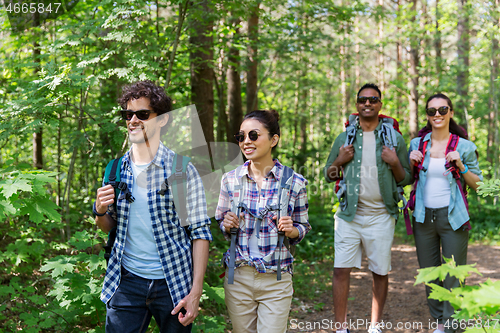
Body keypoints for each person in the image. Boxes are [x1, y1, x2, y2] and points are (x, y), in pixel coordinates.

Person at [93, 80, 212, 333]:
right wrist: (100, 210)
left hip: (173, 282)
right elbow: (107, 227)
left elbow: (200, 233)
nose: (133, 120)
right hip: (125, 281)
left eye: (142, 114)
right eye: (128, 114)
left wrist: (195, 293)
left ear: (162, 120)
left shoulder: (182, 170)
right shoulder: (115, 170)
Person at [324, 83, 411, 333]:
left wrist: (395, 163)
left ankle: (375, 327)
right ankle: (341, 328)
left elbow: (406, 178)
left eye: (373, 99)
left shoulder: (394, 139)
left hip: (382, 215)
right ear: (357, 104)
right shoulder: (345, 138)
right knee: (341, 270)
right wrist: (339, 161)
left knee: (380, 271)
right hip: (348, 216)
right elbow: (328, 174)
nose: (368, 104)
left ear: (380, 105)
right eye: (363, 100)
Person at [215, 109, 311, 333]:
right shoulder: (230, 180)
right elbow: (221, 222)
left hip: (276, 280)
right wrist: (226, 223)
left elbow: (303, 227)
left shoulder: (294, 182)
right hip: (238, 278)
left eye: (254, 135)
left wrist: (292, 230)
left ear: (274, 139)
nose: (246, 142)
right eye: (241, 137)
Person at [408, 93, 482, 333]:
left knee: (453, 275)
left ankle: (453, 327)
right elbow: (407, 180)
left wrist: (462, 166)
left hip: (453, 218)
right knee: (429, 275)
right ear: (427, 116)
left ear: (450, 112)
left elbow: (478, 185)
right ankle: (441, 324)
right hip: (423, 218)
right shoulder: (417, 144)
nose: (437, 115)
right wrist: (410, 163)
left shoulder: (465, 146)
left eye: (442, 110)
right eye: (432, 111)